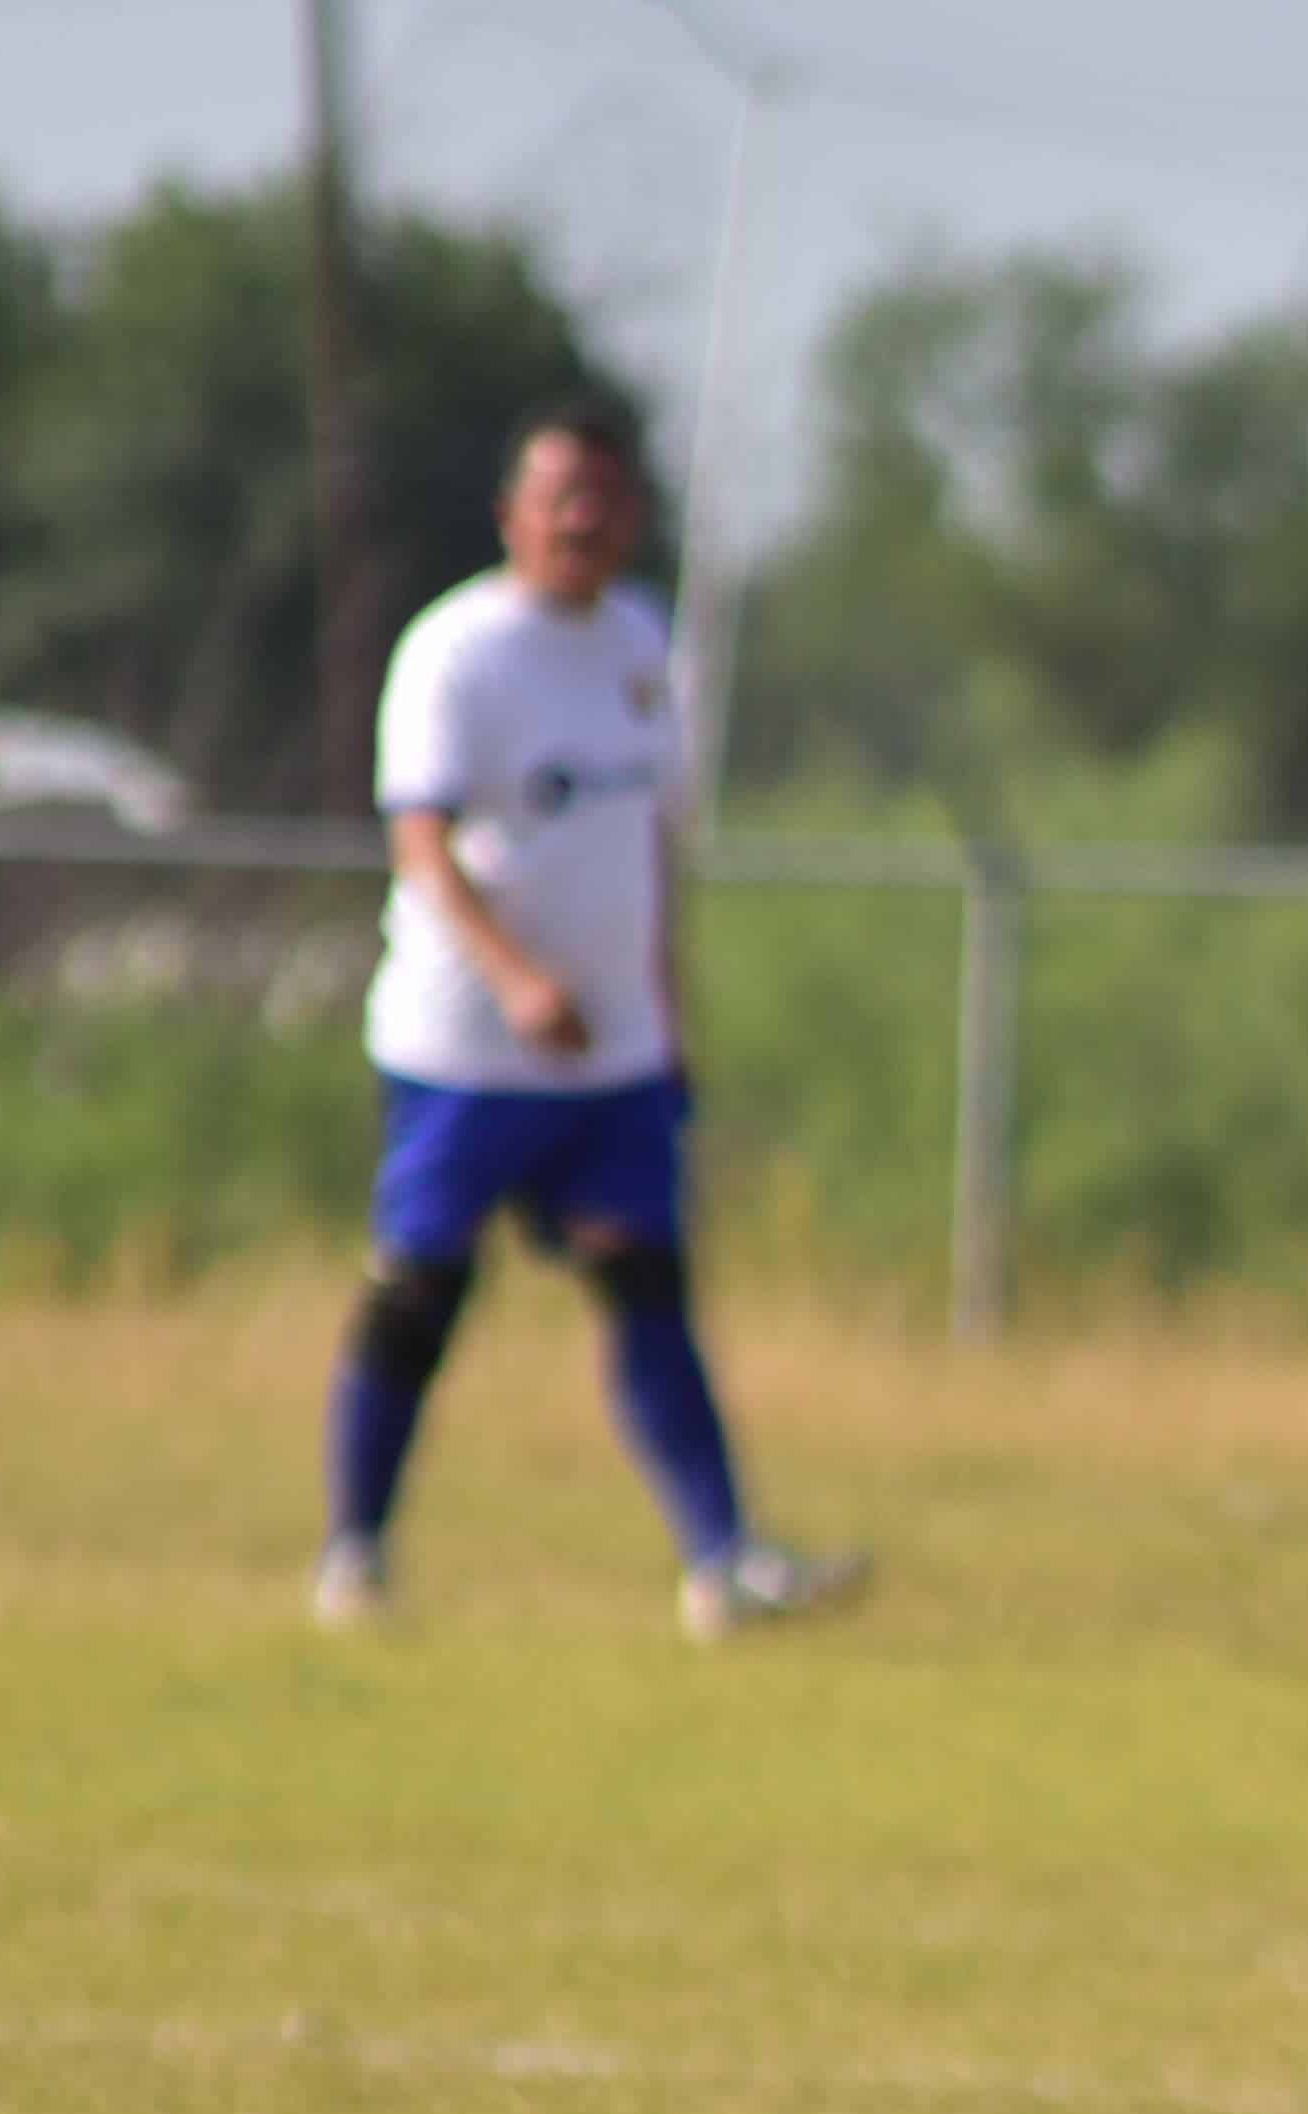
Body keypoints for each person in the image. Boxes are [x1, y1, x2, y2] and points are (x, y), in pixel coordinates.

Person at [315, 398, 862, 1646]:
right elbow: (422, 844)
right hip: (468, 1046)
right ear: (512, 512)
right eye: (559, 496)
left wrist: (667, 1020)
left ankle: (722, 1562)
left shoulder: (638, 640)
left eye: (605, 498)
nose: (583, 520)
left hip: (611, 1055)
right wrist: (514, 980)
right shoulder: (456, 651)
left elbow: (654, 849)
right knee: (420, 1290)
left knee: (648, 1284)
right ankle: (356, 1551)